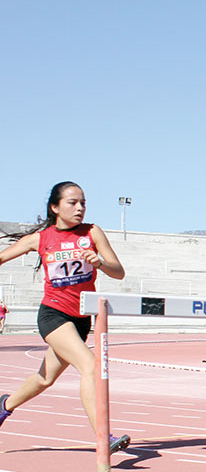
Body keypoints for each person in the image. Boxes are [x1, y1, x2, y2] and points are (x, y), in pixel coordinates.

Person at [0, 182, 131, 453]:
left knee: (44, 379)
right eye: (72, 203)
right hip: (53, 315)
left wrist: (99, 262)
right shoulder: (42, 238)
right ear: (55, 207)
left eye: (83, 202)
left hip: (82, 318)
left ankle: (4, 406)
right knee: (90, 366)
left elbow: (119, 272)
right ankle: (103, 437)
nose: (80, 208)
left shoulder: (92, 232)